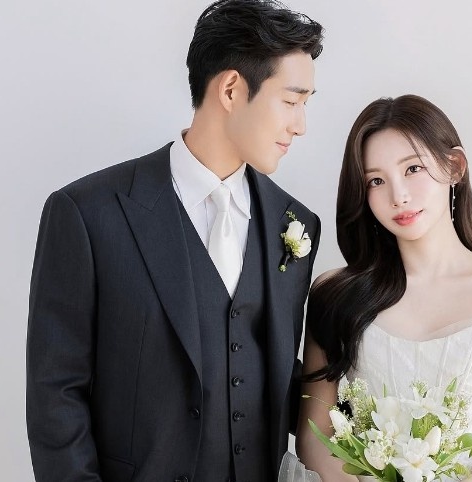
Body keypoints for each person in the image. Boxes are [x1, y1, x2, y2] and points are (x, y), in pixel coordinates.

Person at [26, 1, 323, 481]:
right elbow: (55, 394)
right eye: (291, 101)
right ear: (231, 89)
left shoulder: (295, 223)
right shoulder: (87, 214)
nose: (301, 125)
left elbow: (276, 376)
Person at [295, 94, 472, 482]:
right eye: (376, 180)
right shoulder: (334, 294)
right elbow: (315, 437)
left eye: (412, 169)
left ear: (455, 166)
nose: (398, 196)